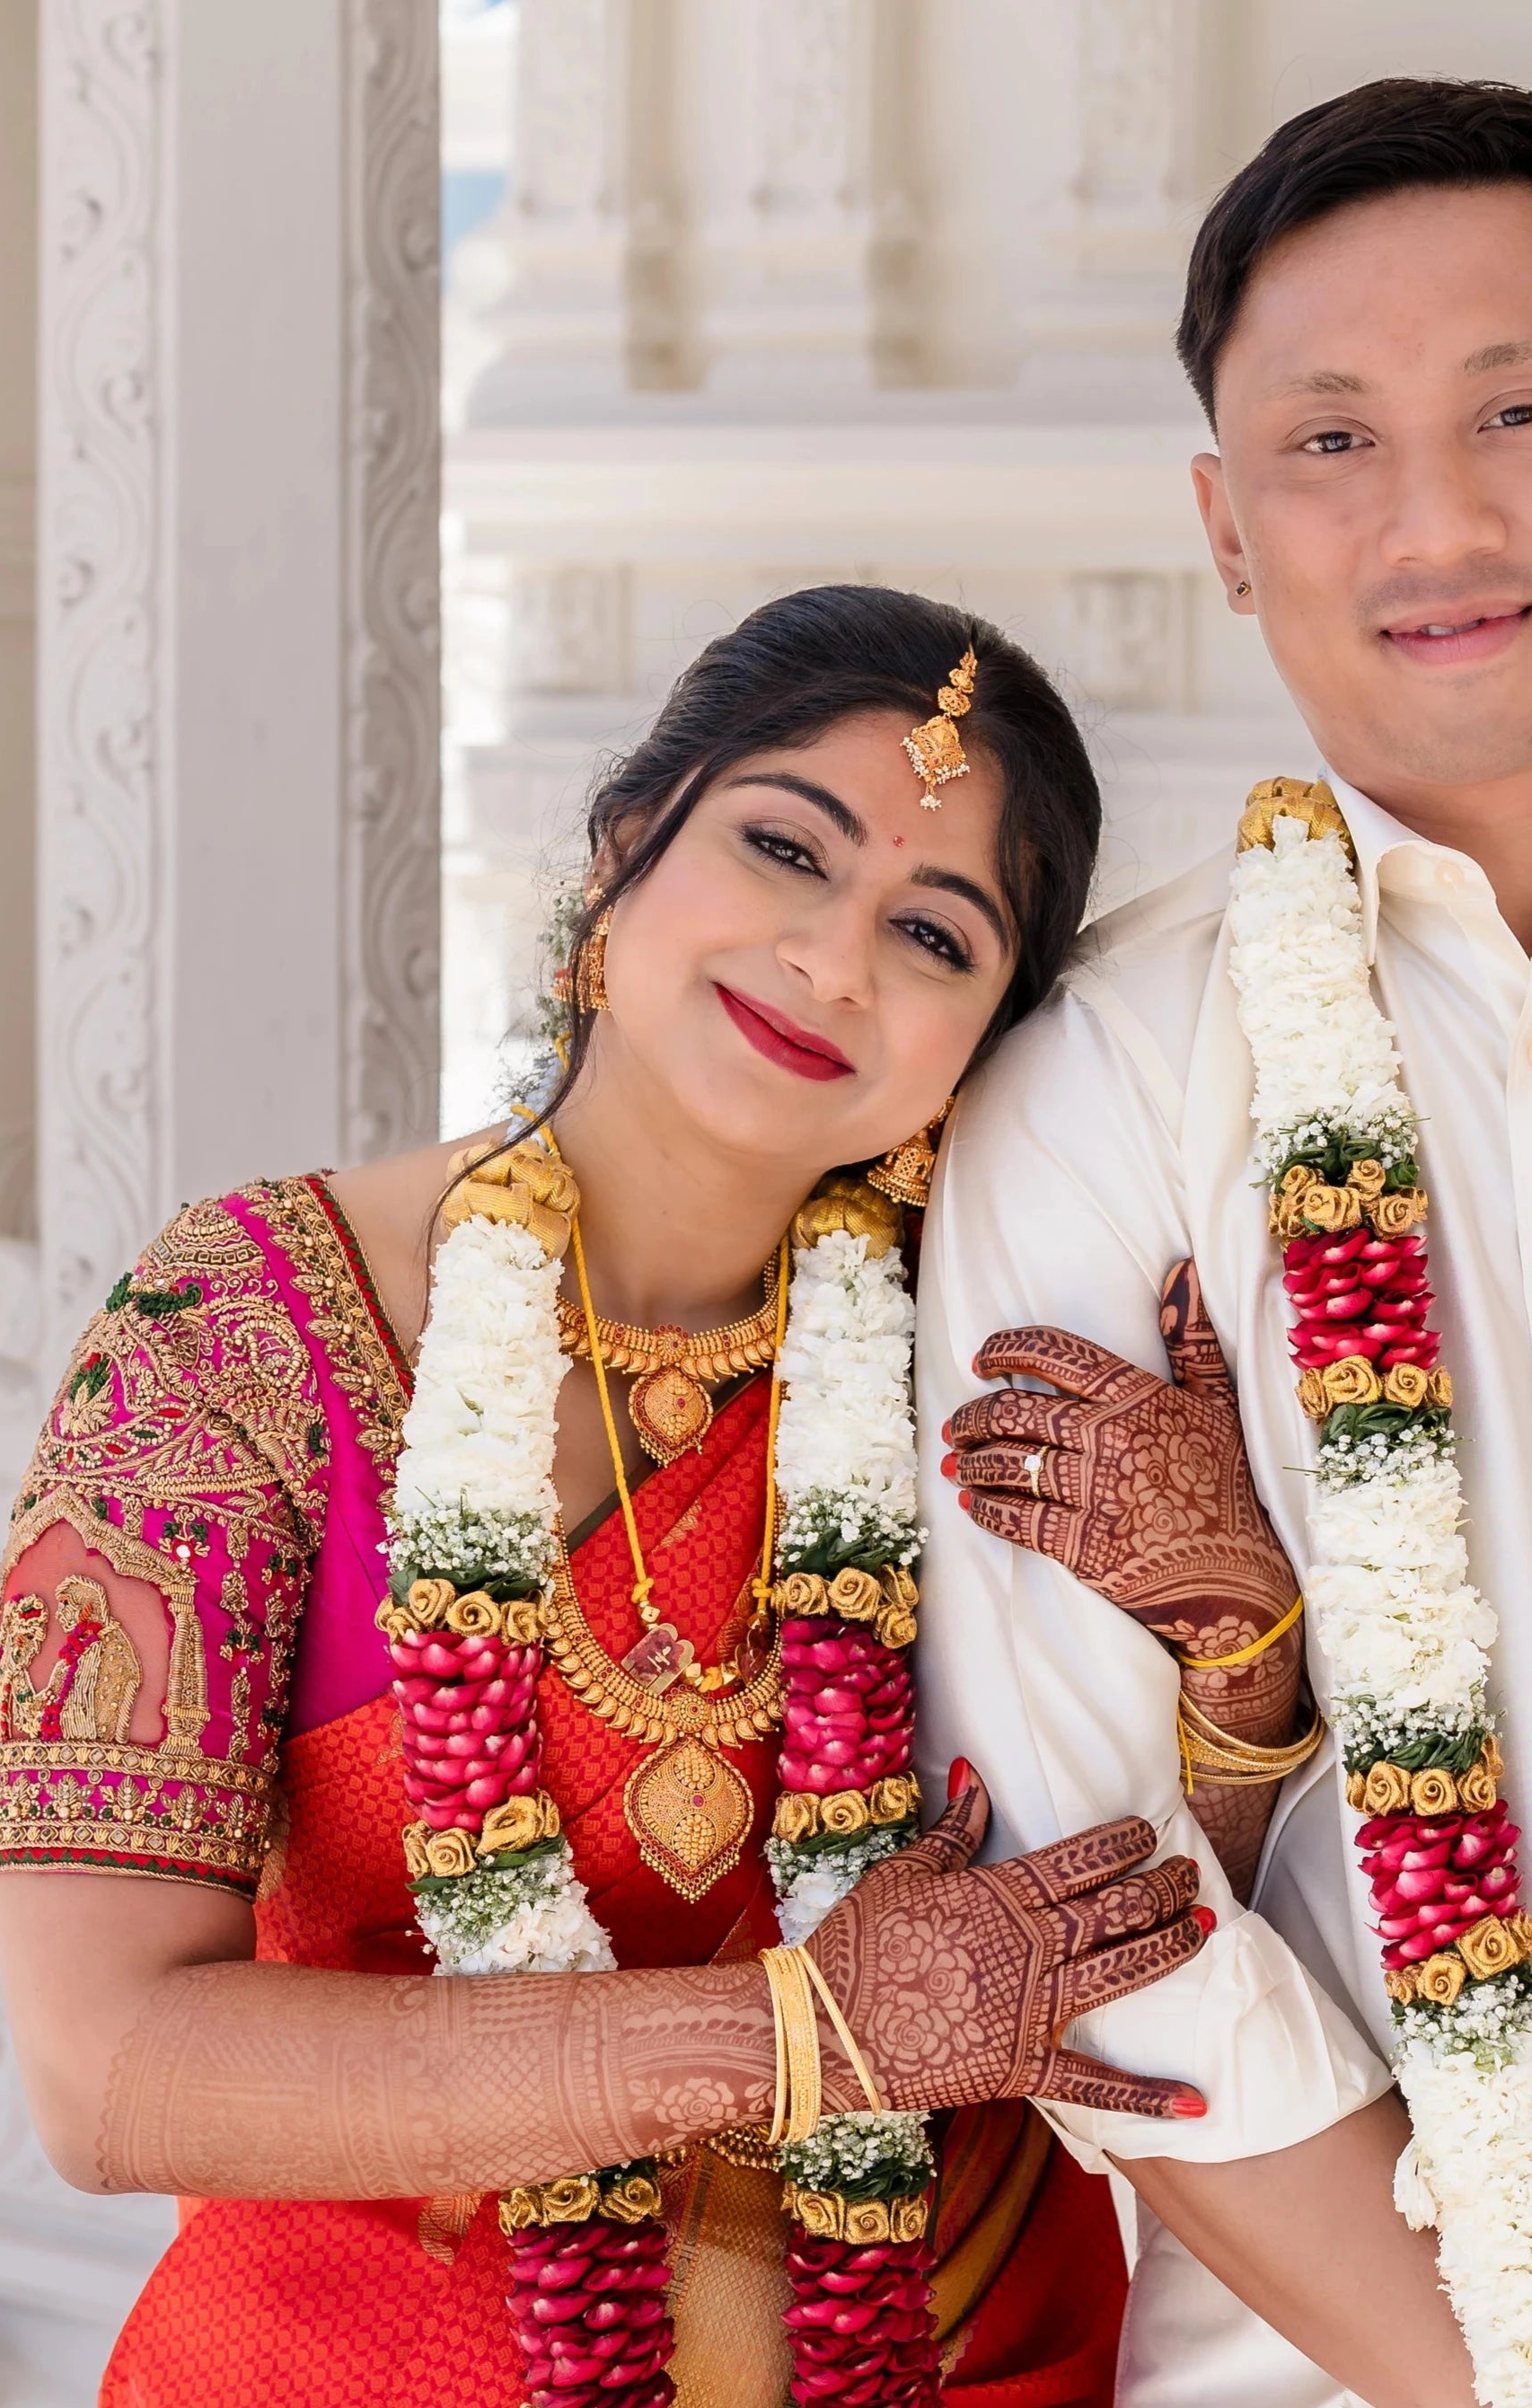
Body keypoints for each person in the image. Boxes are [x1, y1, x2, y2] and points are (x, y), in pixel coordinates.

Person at [0, 584, 1272, 2408]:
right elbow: (104, 2072)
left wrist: (1241, 1646)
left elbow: (1141, 1909)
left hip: (949, 2334)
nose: (834, 959)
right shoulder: (232, 1339)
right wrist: (793, 2039)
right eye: (782, 848)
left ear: (976, 1048)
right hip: (377, 2356)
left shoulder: (983, 1349)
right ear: (619, 855)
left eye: (935, 931)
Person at [933, 75, 1532, 2408]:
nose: (1444, 513)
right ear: (1219, 524)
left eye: (1517, 404)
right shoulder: (1100, 1082)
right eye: (1329, 440)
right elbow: (1090, 1914)